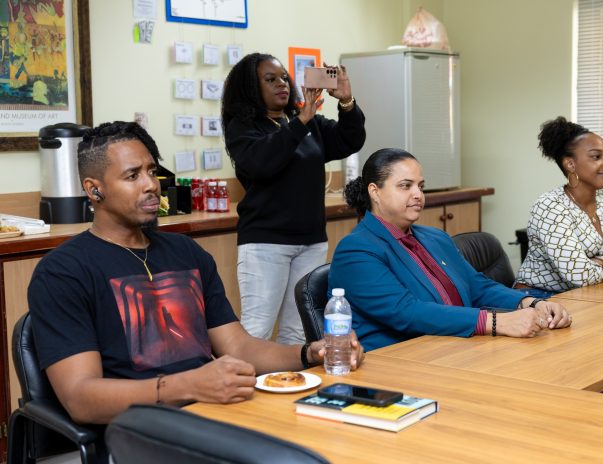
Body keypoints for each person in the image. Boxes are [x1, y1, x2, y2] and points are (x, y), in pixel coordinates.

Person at [28, 122, 365, 430]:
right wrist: (189, 385)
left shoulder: (186, 252)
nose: (151, 185)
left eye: (152, 171)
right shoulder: (63, 272)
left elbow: (238, 346)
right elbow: (80, 398)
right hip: (139, 430)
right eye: (132, 176)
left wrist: (310, 353)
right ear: (94, 190)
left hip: (217, 413)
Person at [329, 148, 572, 354]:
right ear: (375, 192)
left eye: (420, 186)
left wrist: (530, 303)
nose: (418, 195)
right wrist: (497, 322)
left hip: (457, 348)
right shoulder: (356, 250)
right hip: (400, 361)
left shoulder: (435, 237)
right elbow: (406, 312)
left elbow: (477, 286)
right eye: (405, 186)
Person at [221, 53, 366, 345]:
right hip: (266, 243)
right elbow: (263, 163)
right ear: (251, 87)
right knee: (257, 330)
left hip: (311, 241)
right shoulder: (244, 127)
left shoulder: (307, 122)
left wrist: (346, 102)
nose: (282, 84)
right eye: (270, 79)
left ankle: (291, 377)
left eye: (284, 78)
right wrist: (302, 121)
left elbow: (350, 140)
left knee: (297, 331)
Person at [515, 116, 603, 294]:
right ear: (570, 164)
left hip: (589, 293)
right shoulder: (549, 206)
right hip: (540, 296)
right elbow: (580, 275)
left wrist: (599, 261)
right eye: (596, 157)